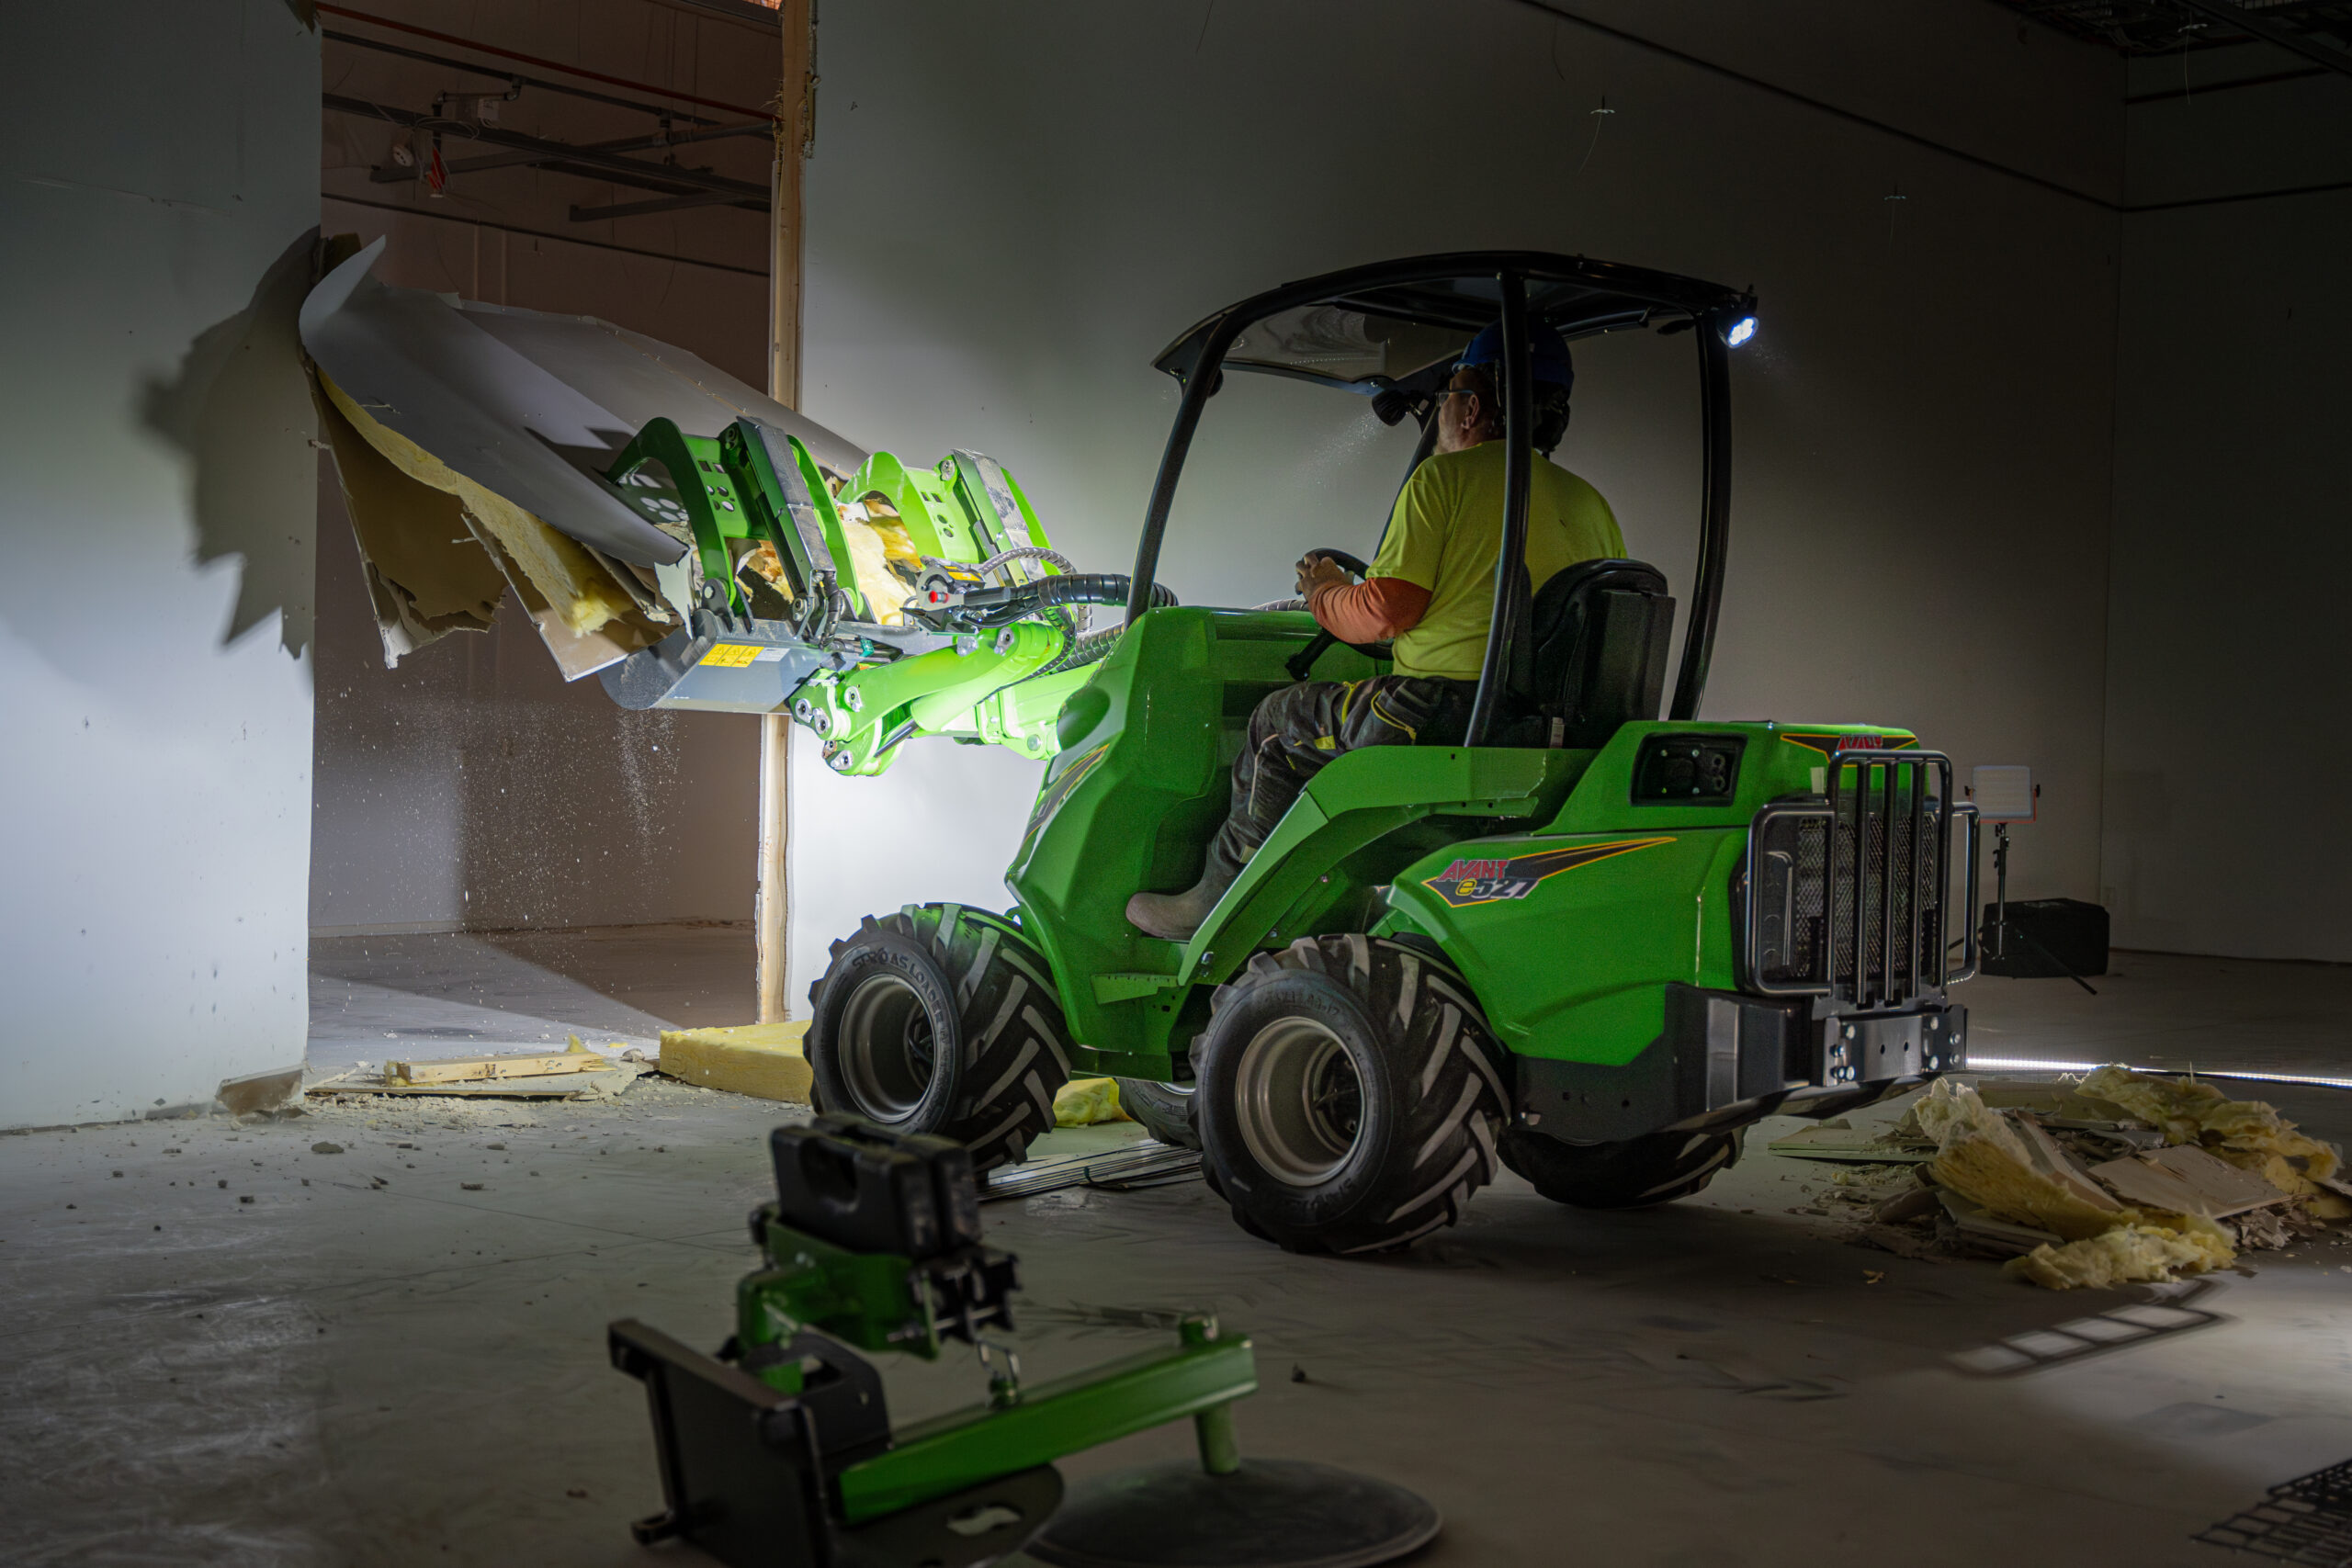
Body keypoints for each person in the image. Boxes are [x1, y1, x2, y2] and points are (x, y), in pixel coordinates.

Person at [1125, 320, 1627, 941]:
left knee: (1275, 724)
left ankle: (1217, 903)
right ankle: (1344, 899)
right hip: (1550, 725)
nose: (1442, 412)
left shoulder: (1444, 481)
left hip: (1439, 712)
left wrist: (1323, 591)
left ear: (1471, 407)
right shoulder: (1592, 505)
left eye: (1448, 395)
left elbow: (1385, 613)